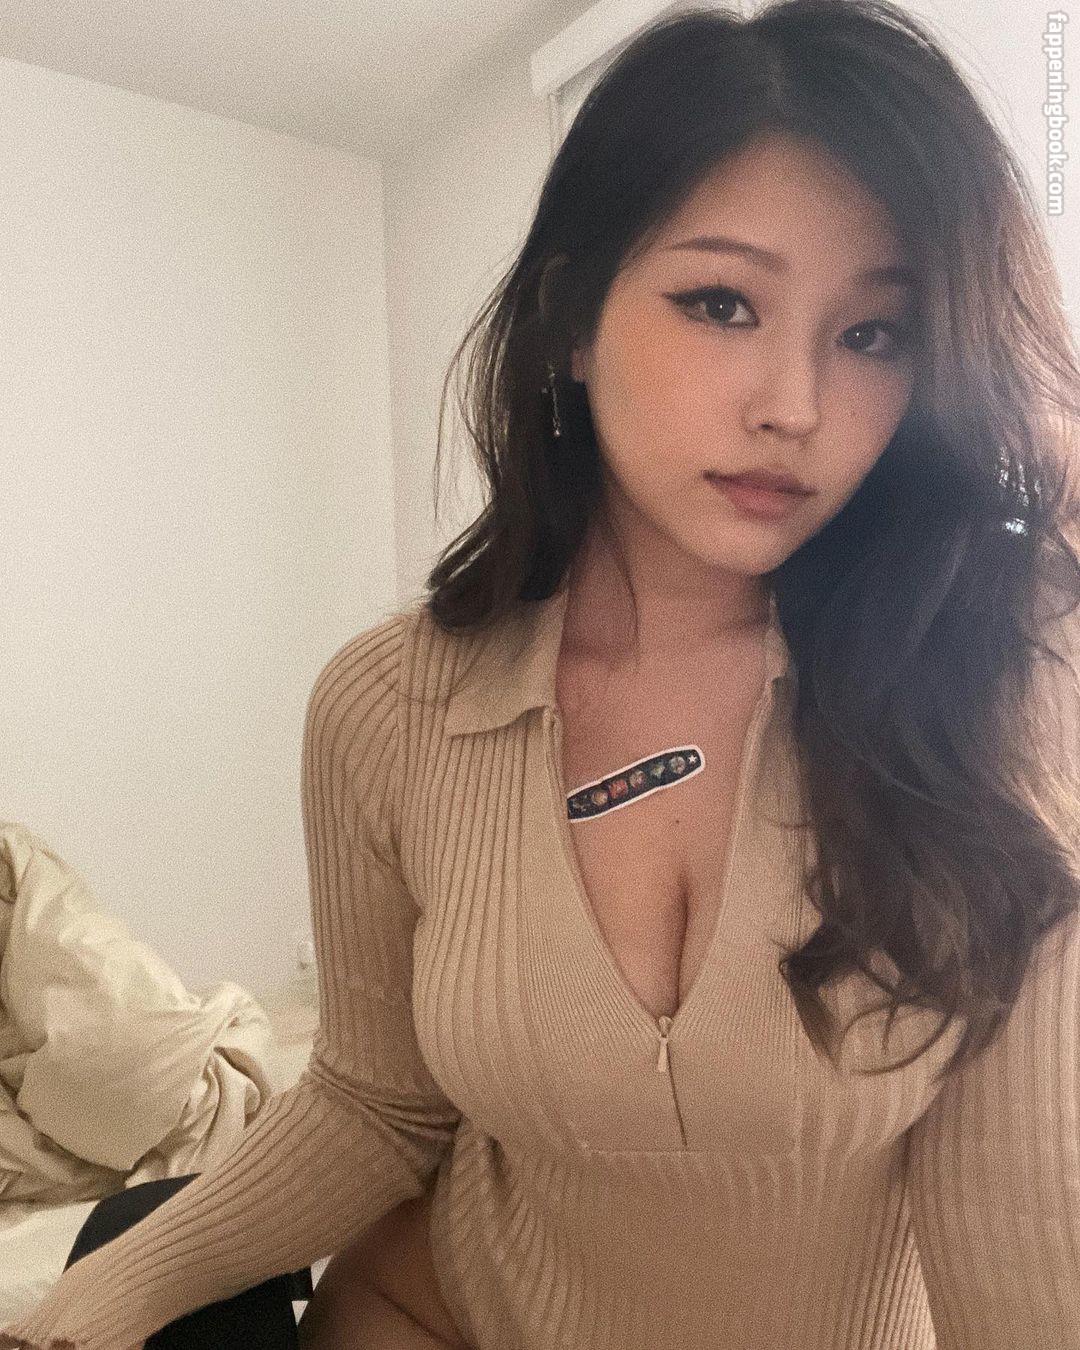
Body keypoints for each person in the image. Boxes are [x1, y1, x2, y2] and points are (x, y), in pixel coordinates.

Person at [4, 0, 1079, 1345]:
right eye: (721, 303)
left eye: (875, 334)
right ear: (572, 316)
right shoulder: (386, 706)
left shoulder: (995, 680)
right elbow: (375, 1102)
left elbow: (1023, 1236)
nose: (794, 405)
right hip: (436, 1310)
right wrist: (88, 1307)